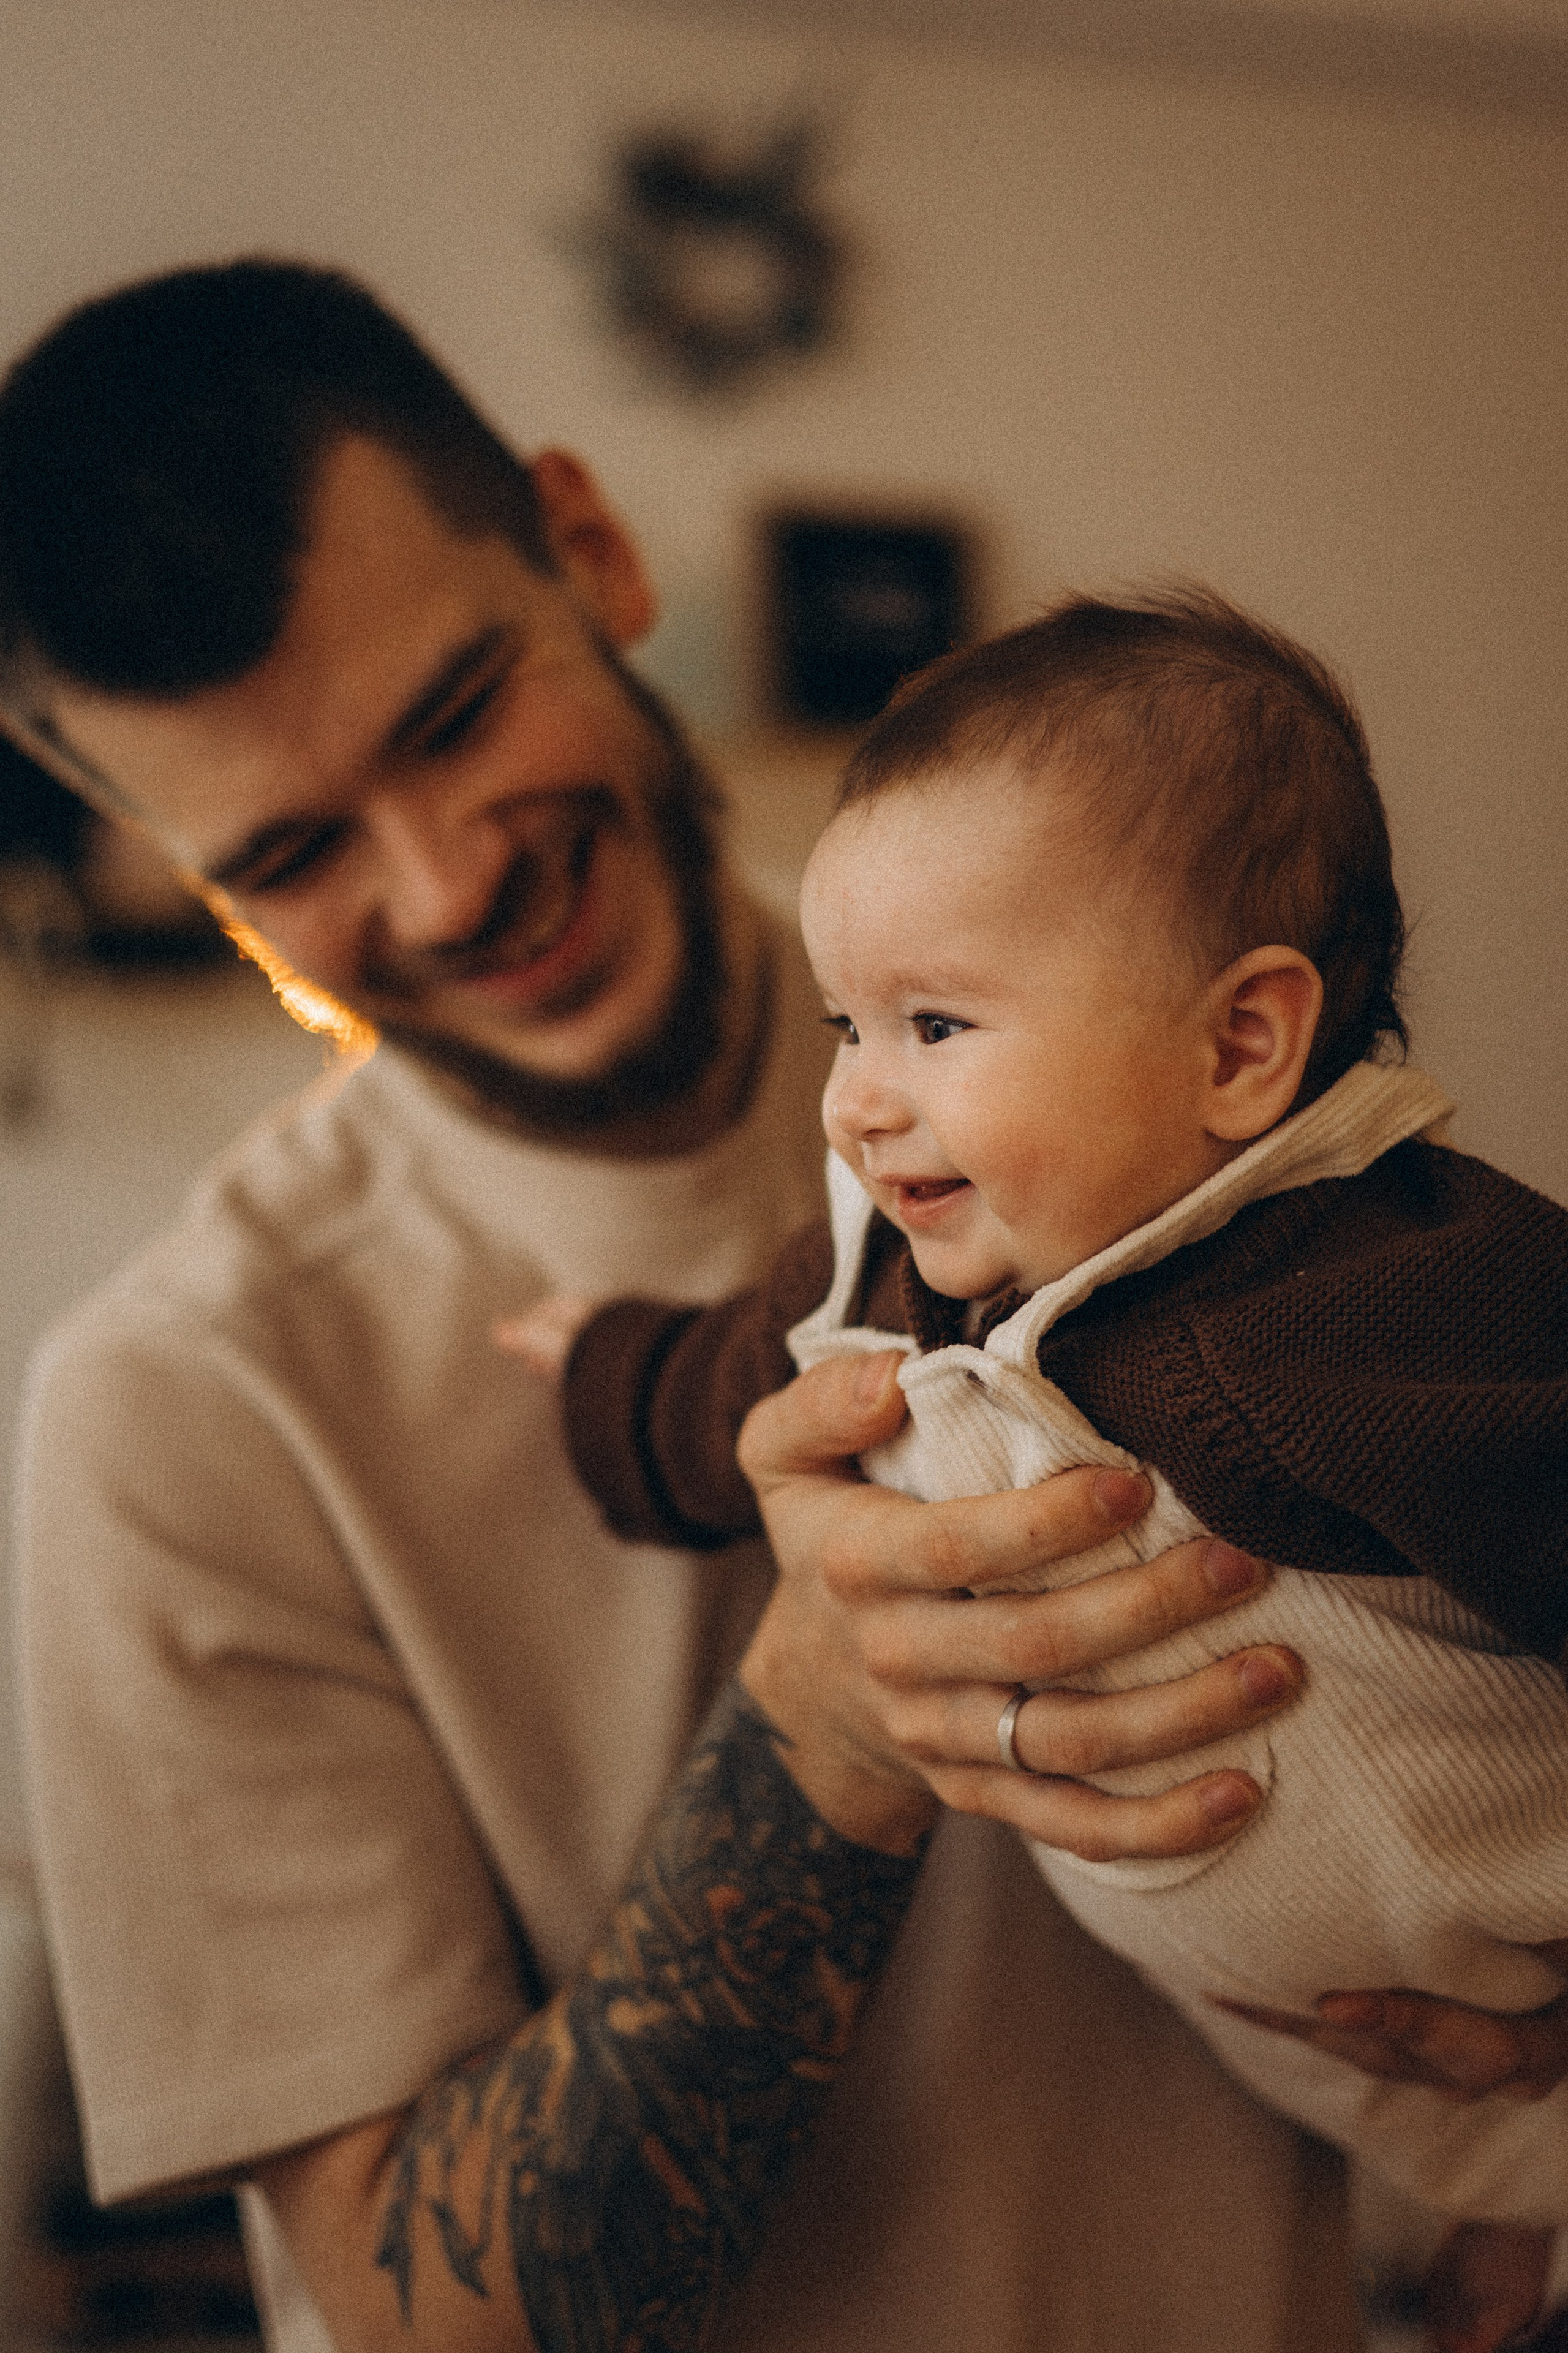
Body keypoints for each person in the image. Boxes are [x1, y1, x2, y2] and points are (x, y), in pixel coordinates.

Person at [0, 261, 1544, 2353]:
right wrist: (831, 1706)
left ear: (592, 548)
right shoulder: (171, 1420)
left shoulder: (1153, 1087)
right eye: (289, 853)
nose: (447, 886)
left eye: (456, 716)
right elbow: (415, 2313)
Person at [513, 594, 1568, 2349]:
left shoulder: (1386, 1298)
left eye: (934, 1025)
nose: (856, 1098)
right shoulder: (895, 1264)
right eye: (851, 1023)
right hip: (1370, 2083)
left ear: (1242, 1049)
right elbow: (729, 1383)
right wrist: (601, 1378)